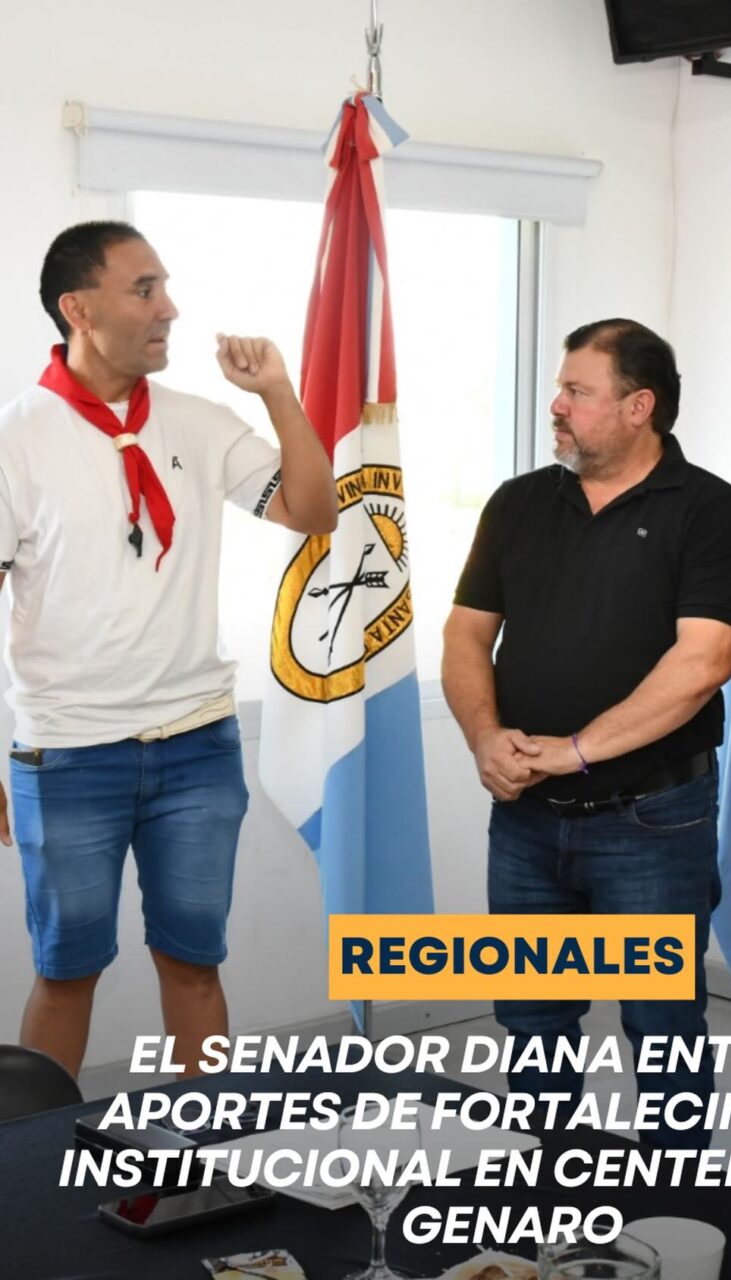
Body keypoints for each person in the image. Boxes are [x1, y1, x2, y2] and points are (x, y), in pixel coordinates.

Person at [0, 221, 337, 1078]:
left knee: (194, 964)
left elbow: (313, 510)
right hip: (68, 754)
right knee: (65, 974)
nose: (170, 309)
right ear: (78, 308)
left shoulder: (199, 421)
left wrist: (278, 393)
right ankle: (40, 1159)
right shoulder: (17, 439)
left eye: (165, 287)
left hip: (196, 747)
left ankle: (204, 1148)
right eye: (144, 289)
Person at [442, 318, 731, 1146]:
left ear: (638, 407)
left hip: (651, 822)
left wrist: (574, 751)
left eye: (577, 391)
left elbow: (702, 663)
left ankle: (678, 1204)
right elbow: (465, 637)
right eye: (561, 388)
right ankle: (547, 1186)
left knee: (662, 1026)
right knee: (532, 1020)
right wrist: (486, 739)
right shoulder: (518, 503)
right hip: (524, 819)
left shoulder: (713, 513)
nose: (556, 405)